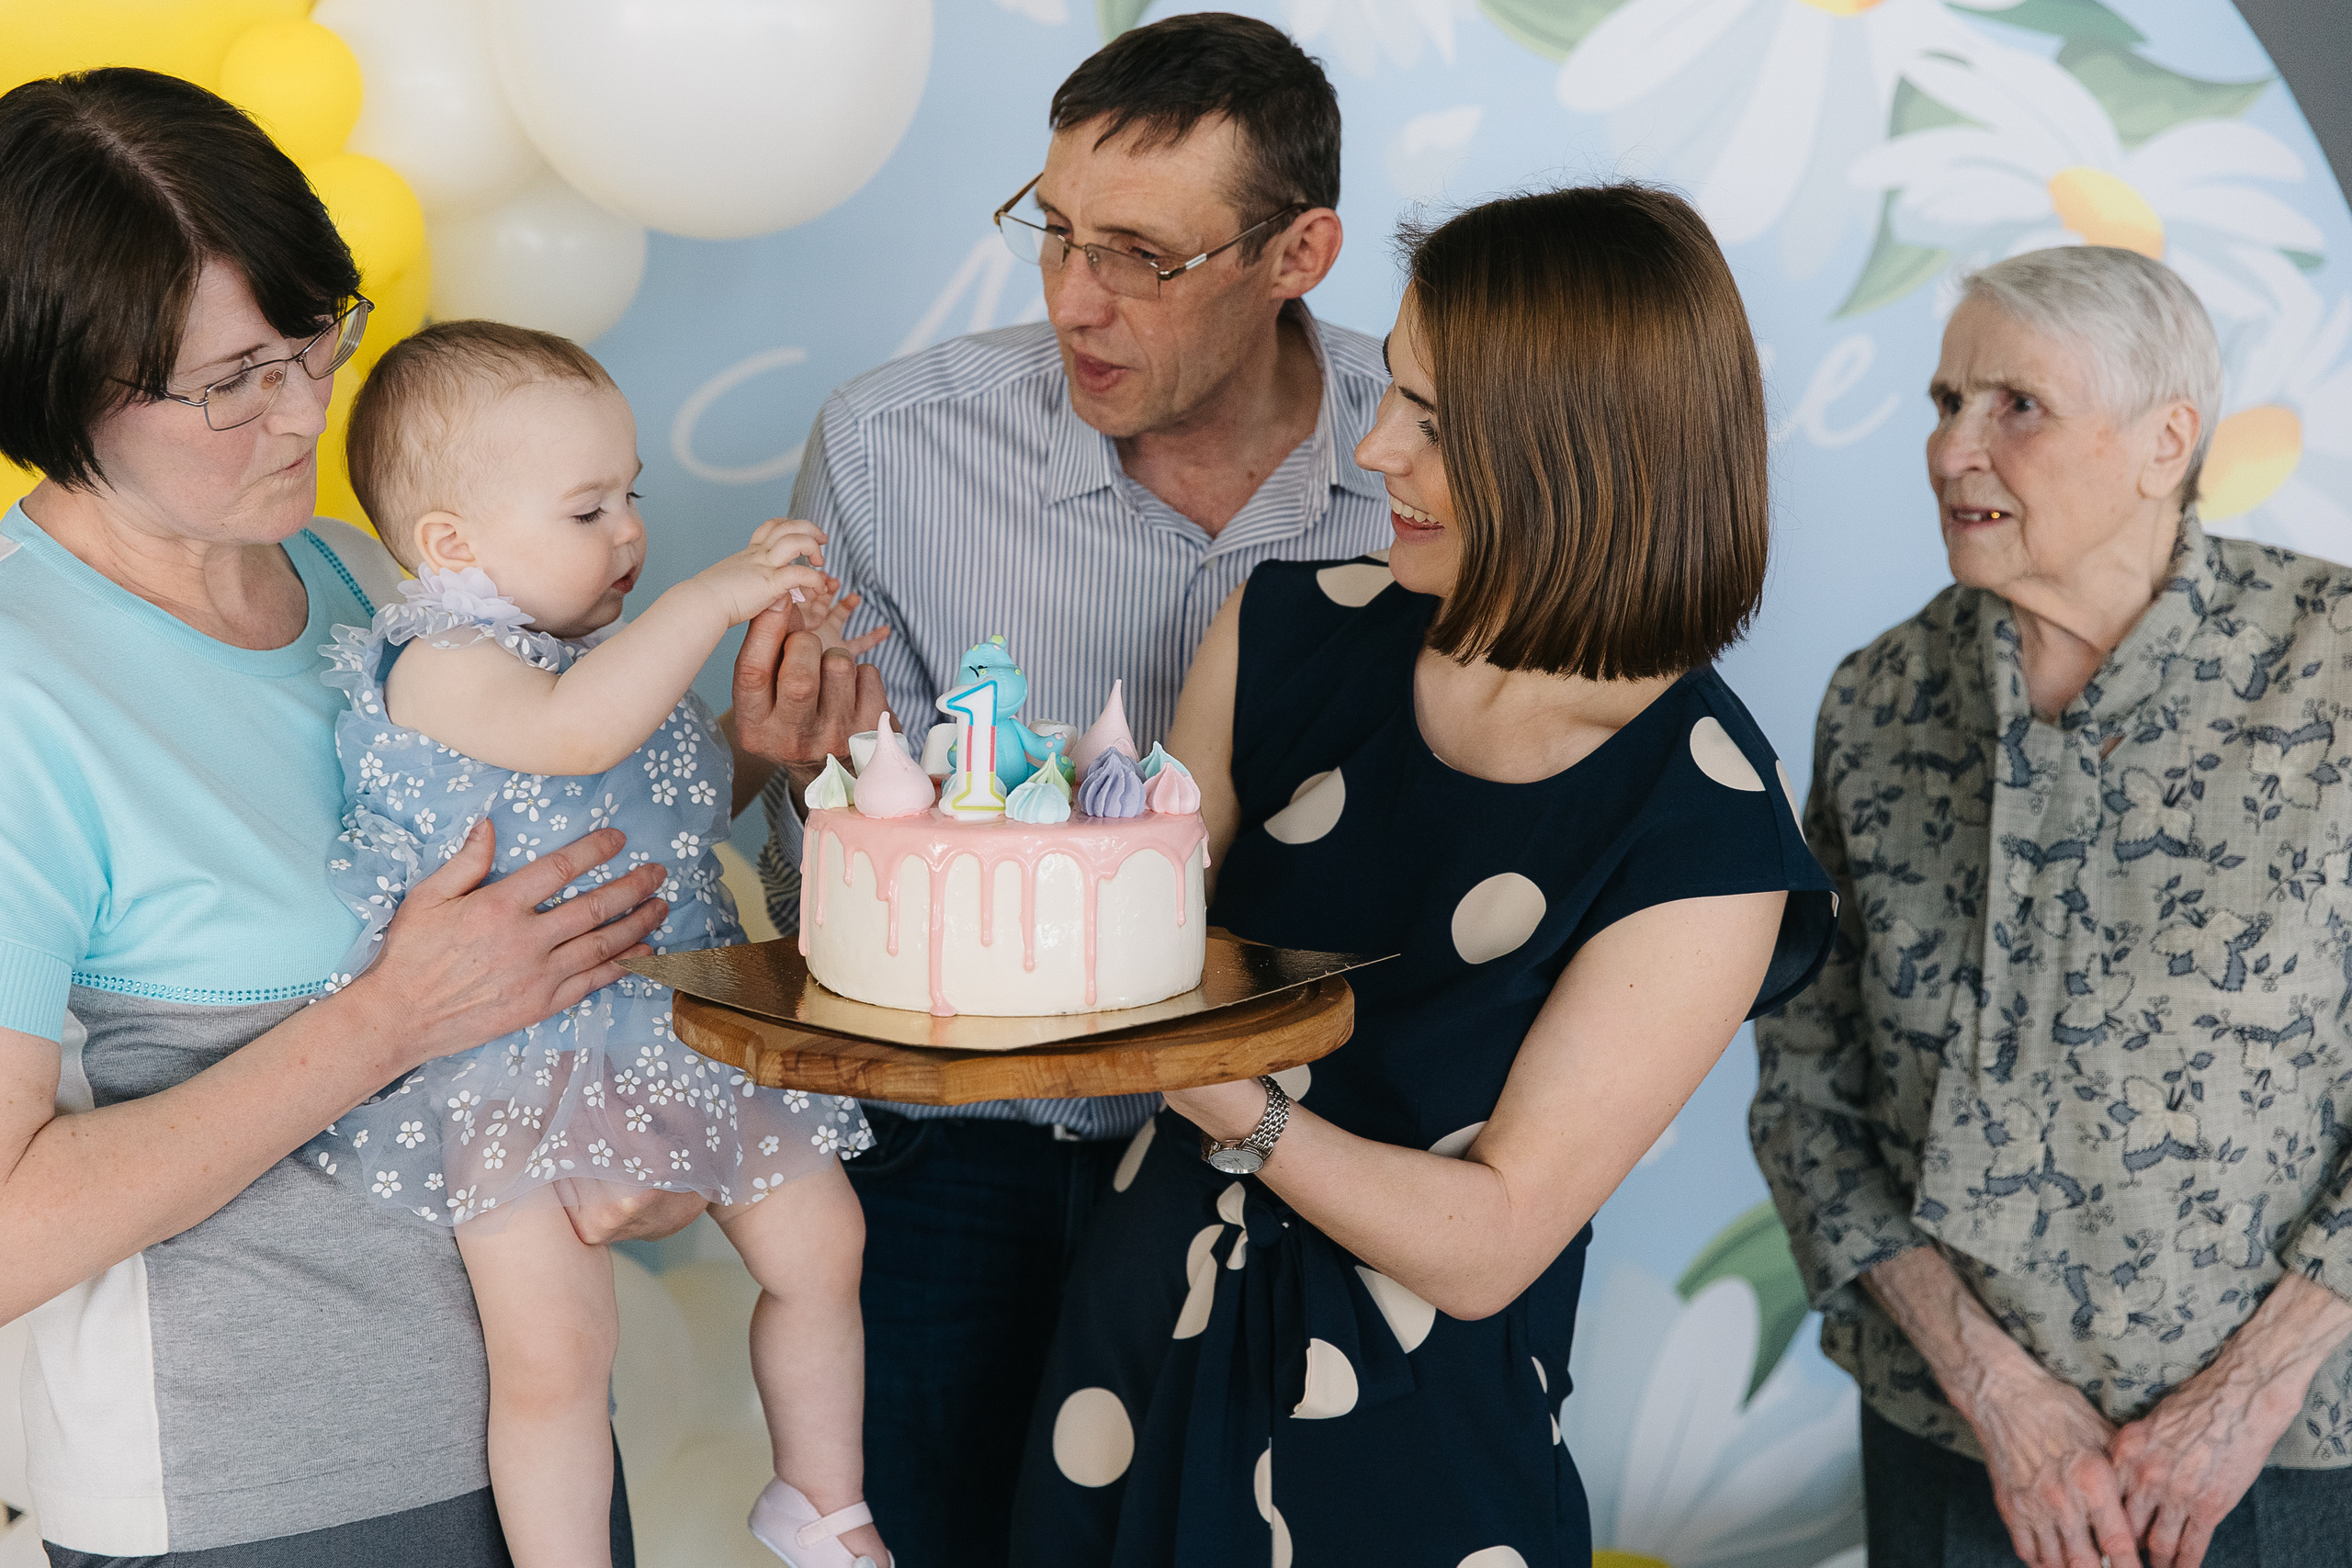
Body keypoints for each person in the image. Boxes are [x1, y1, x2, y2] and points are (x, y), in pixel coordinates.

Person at [1008, 184, 1838, 1564]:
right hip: (1127, 1365)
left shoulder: (1704, 828)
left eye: (1436, 422)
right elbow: (1104, 929)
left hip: (1407, 1461)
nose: (1373, 448)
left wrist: (1233, 1103)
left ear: (1589, 456)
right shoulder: (1284, 632)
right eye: (1391, 392)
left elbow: (1490, 1242)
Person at [724, 17, 1389, 1564]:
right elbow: (846, 830)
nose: (1078, 301)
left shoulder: (1432, 458)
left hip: (1313, 1150)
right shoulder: (895, 446)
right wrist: (794, 758)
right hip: (965, 1159)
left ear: (1299, 251)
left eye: (1145, 257)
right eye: (1055, 233)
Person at [0, 70, 681, 1564]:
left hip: (535, 1446)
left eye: (316, 340)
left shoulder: (366, 582)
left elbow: (519, 924)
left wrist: (745, 759)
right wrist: (386, 1020)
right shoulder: (17, 692)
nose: (309, 410)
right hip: (254, 1506)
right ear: (60, 382)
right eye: (233, 380)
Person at [1751, 245, 2352, 1568]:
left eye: (2015, 406)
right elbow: (1805, 1090)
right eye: (1944, 402)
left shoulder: (2334, 672)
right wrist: (1997, 1393)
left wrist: (2246, 1395)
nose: (1953, 450)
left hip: (2293, 1454)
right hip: (1960, 1443)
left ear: (2164, 443)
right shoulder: (1880, 703)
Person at [296, 320, 885, 1568]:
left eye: (632, 496)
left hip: (672, 1012)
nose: (627, 531)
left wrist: (755, 734)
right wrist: (706, 601)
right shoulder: (442, 665)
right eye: (586, 510)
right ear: (453, 546)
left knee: (826, 1247)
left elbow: (653, 805)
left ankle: (821, 1500)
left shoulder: (598, 662)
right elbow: (571, 741)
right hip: (506, 1052)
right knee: (558, 1354)